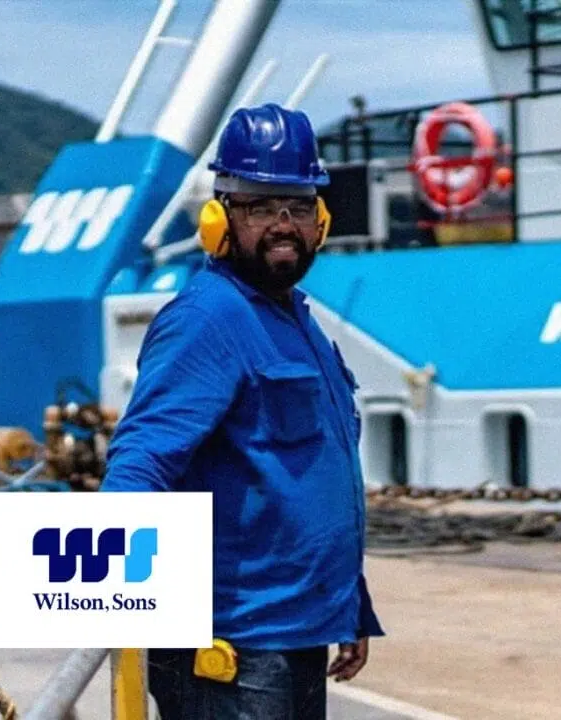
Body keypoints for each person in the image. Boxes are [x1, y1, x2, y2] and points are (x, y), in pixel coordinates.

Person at [100, 102, 383, 720]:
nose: (284, 224)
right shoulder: (207, 320)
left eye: (299, 207)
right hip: (229, 649)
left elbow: (318, 478)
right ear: (219, 218)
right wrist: (111, 594)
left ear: (320, 221)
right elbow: (141, 461)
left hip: (296, 633)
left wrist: (349, 604)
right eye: (260, 207)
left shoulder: (297, 322)